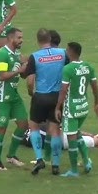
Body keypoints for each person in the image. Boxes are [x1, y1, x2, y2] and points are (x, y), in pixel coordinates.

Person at [22, 29, 68, 176]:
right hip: (57, 97)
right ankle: (55, 165)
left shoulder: (34, 57)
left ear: (38, 41)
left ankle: (39, 158)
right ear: (50, 39)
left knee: (34, 127)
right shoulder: (63, 53)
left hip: (40, 96)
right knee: (55, 130)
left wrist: (31, 93)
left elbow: (30, 81)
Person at [55, 42, 98, 177]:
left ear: (70, 52)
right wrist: (96, 103)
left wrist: (58, 107)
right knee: (77, 133)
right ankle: (87, 161)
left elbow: (63, 90)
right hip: (83, 107)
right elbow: (95, 86)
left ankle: (74, 170)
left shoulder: (68, 69)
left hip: (71, 110)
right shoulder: (88, 66)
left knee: (71, 140)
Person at [0, 28, 29, 170]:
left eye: (22, 37)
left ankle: (11, 155)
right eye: (19, 38)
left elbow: (21, 67)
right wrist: (18, 71)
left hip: (14, 96)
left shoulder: (16, 53)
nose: (21, 40)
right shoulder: (2, 54)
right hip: (2, 98)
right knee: (1, 128)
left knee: (23, 124)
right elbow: (1, 76)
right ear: (11, 38)